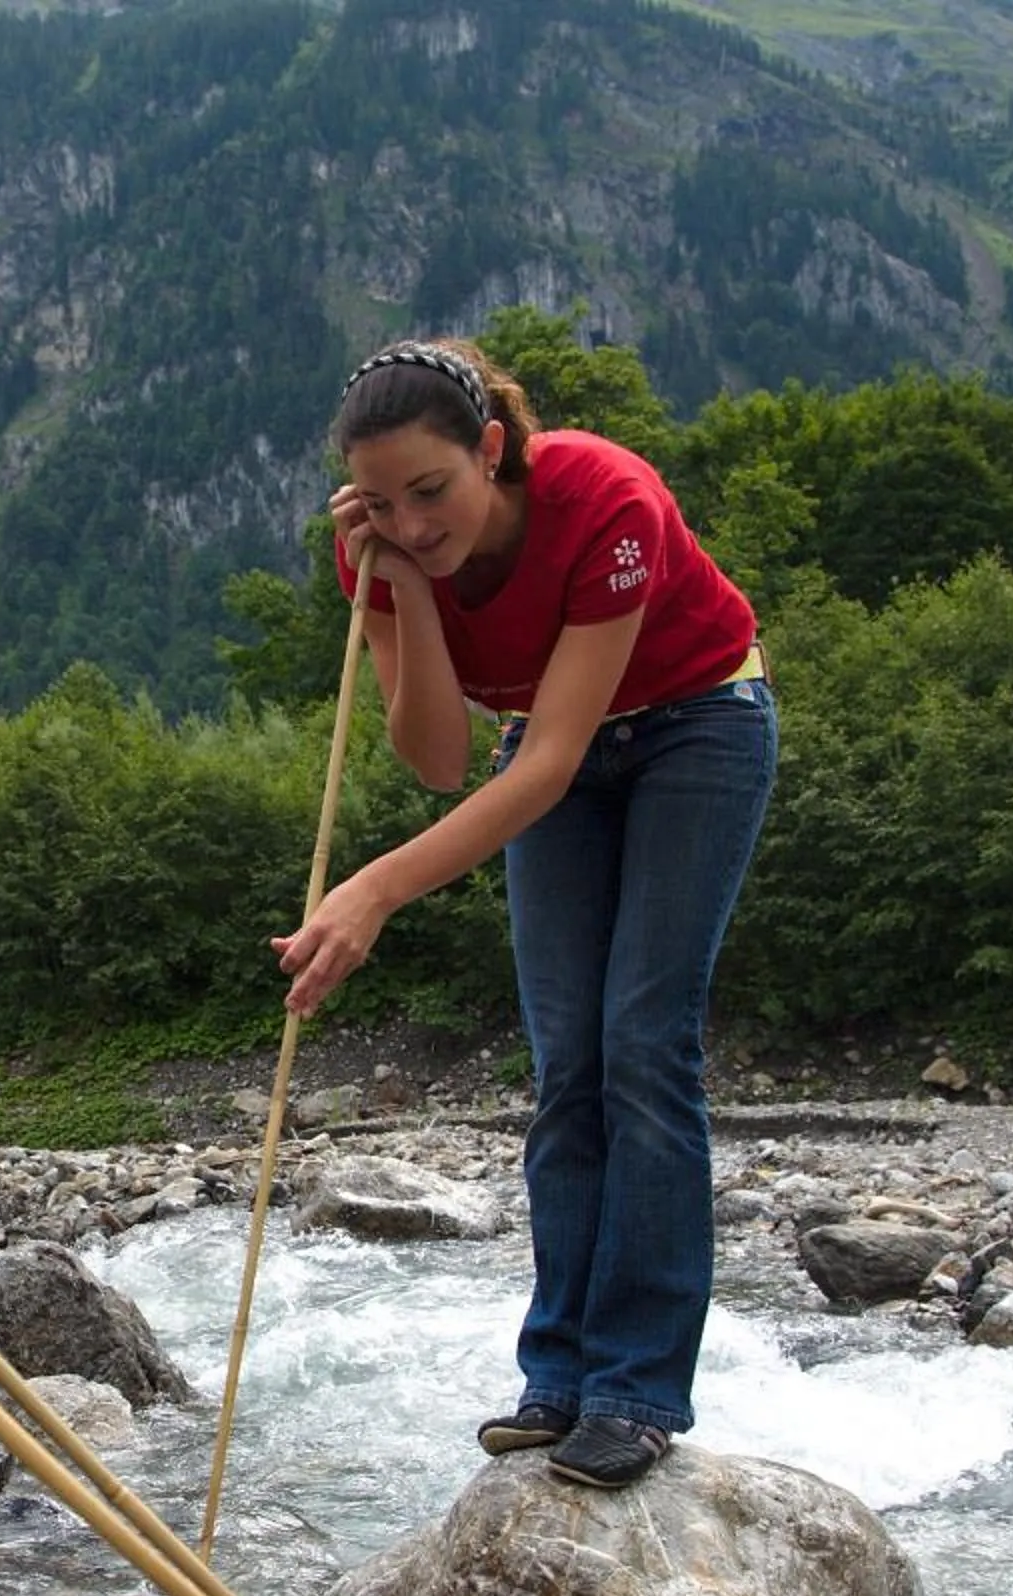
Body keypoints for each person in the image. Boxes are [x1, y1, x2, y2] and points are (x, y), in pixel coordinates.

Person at [277, 338, 779, 1490]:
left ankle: (637, 1390)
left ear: (492, 449)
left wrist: (373, 890)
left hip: (698, 721)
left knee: (642, 1043)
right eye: (382, 503)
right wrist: (401, 586)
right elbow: (440, 757)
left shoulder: (606, 498)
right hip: (548, 750)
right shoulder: (385, 557)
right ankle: (559, 1373)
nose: (411, 522)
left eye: (432, 491)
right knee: (567, 1066)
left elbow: (545, 765)